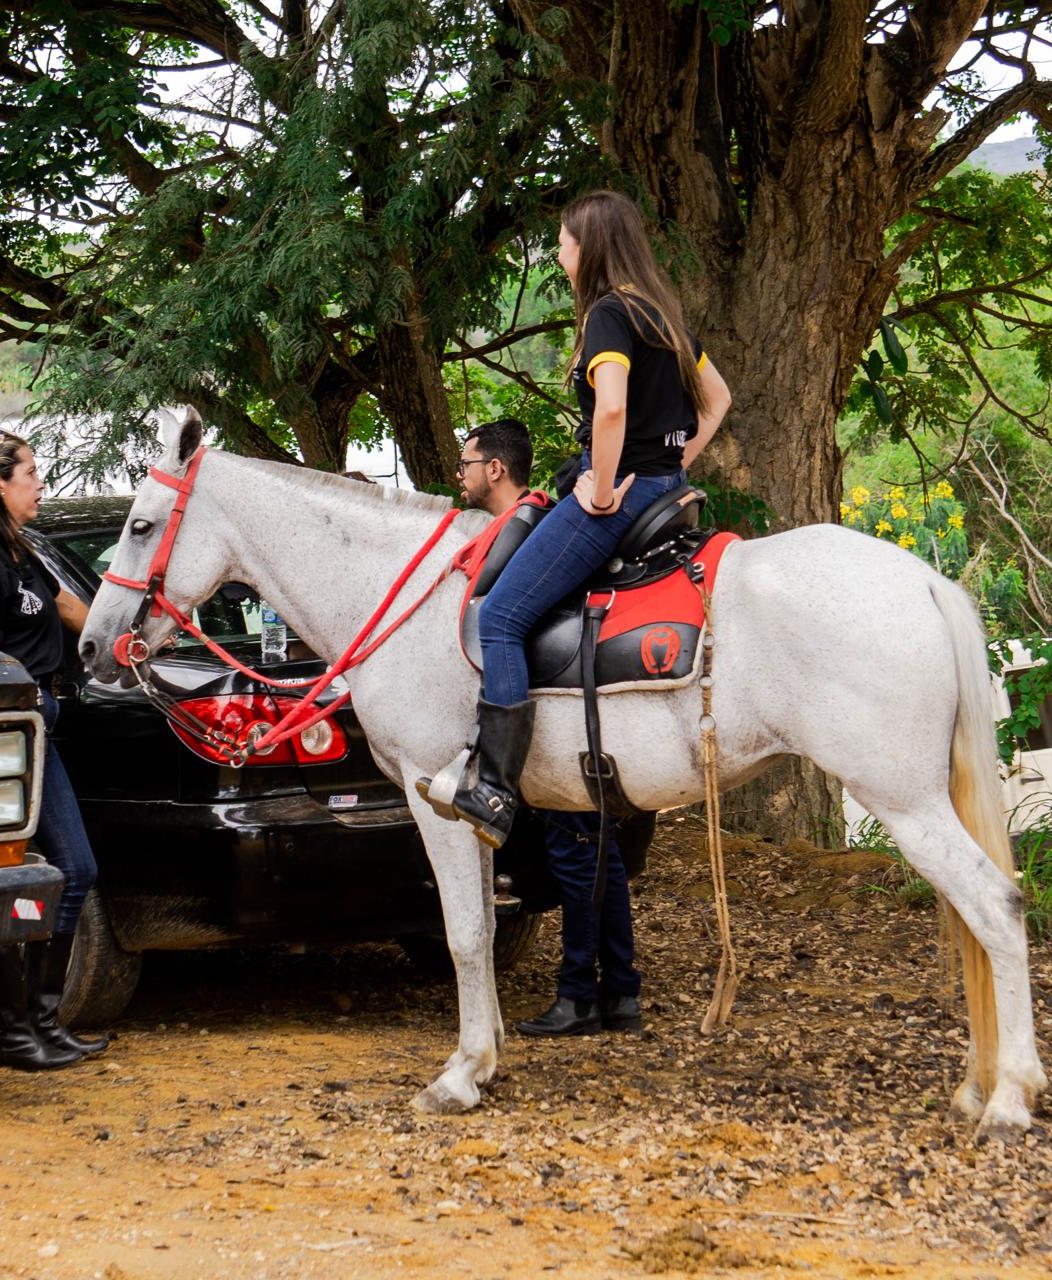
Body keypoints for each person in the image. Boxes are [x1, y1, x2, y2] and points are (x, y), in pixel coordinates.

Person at [433, 188, 731, 853]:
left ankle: (494, 790)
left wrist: (599, 486)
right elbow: (718, 398)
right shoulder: (663, 315)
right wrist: (675, 460)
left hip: (617, 494)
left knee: (500, 617)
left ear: (589, 247)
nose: (561, 255)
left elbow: (612, 409)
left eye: (565, 244)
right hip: (664, 486)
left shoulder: (608, 313)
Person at [456, 419, 647, 1037]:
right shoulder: (533, 524)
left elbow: (488, 610)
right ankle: (621, 992)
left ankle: (579, 996)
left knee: (574, 853)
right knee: (598, 854)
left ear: (495, 469)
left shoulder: (524, 526)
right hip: (568, 711)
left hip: (554, 721)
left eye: (466, 463)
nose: (459, 475)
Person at [0, 431, 104, 1072]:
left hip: (40, 728)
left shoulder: (17, 551)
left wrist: (123, 639)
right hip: (6, 740)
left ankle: (43, 1023)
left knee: (73, 870)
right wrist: (24, 708)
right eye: (30, 473)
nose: (41, 483)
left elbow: (64, 606)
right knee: (12, 878)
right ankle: (13, 1034)